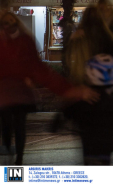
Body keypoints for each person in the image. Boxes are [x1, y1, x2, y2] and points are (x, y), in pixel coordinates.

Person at [0, 11, 96, 165]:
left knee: (19, 125)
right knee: (7, 124)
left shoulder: (25, 41)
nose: (10, 24)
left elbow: (39, 70)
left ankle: (18, 158)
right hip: (5, 94)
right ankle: (12, 152)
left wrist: (68, 90)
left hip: (19, 93)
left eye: (12, 20)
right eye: (6, 22)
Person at [65, 6, 113, 165]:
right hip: (107, 97)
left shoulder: (79, 38)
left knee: (89, 144)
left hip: (85, 98)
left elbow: (68, 66)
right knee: (104, 141)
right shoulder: (109, 38)